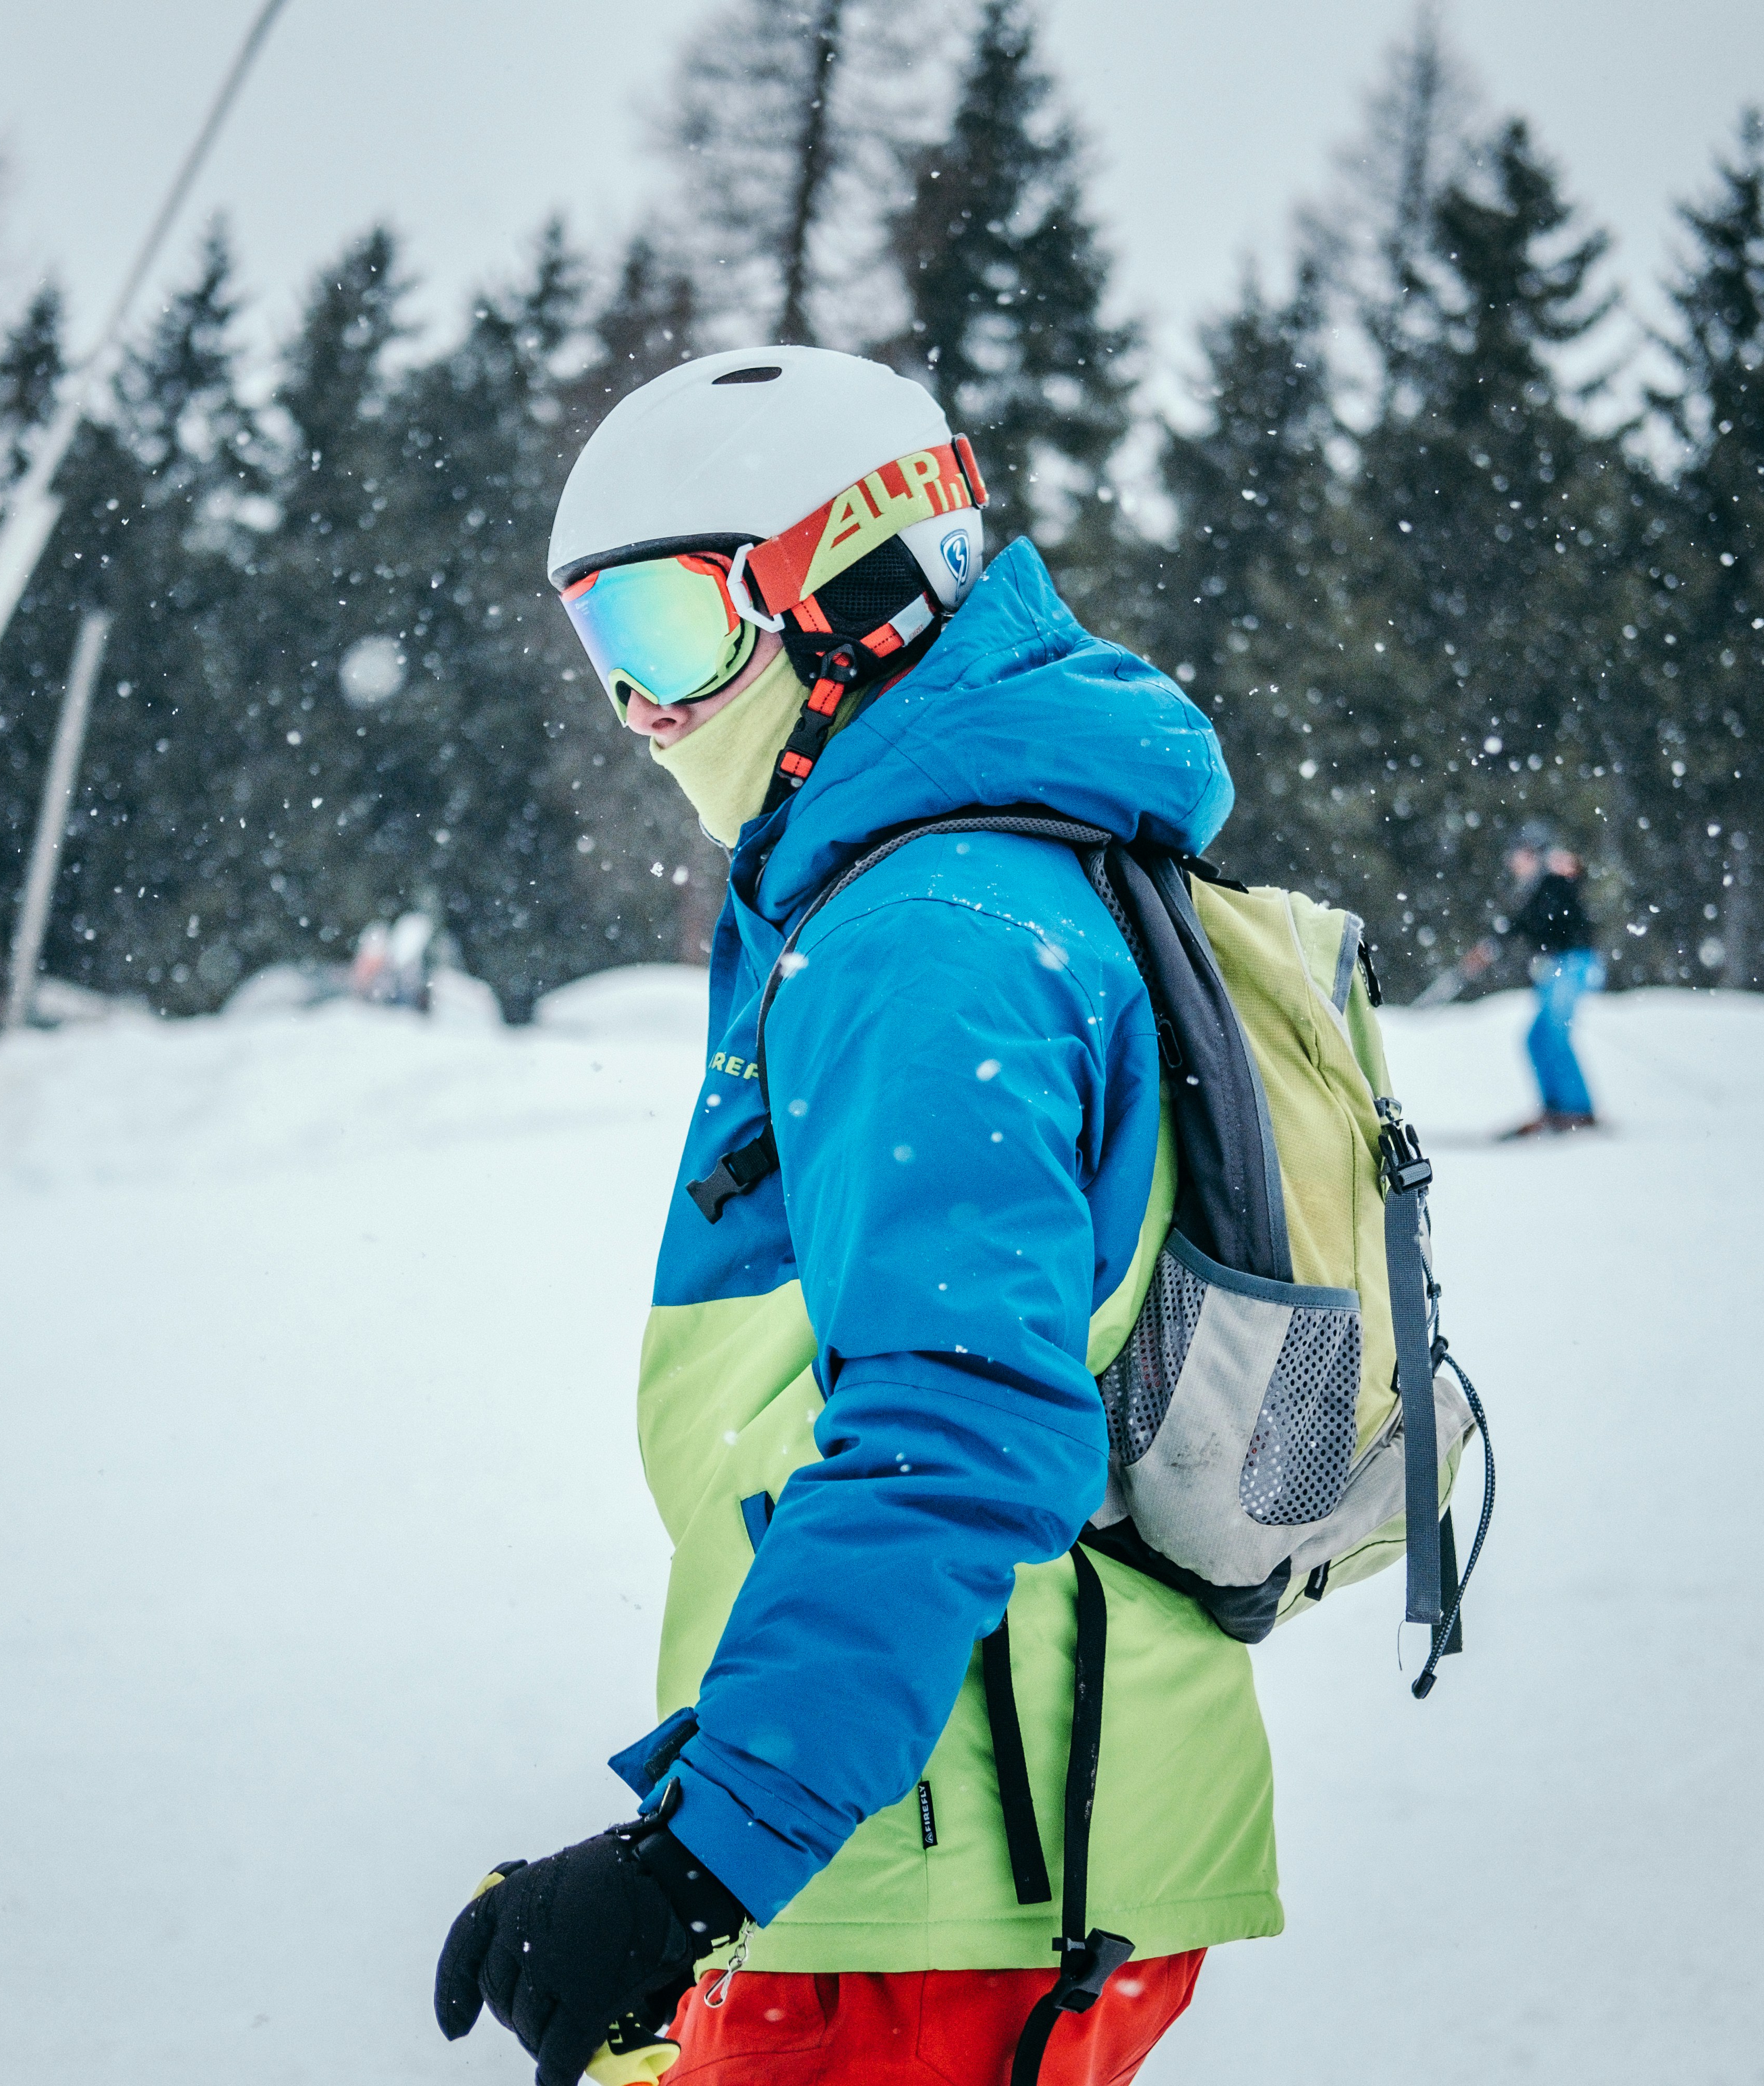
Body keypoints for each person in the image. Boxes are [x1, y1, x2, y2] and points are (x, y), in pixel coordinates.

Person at [432, 347, 1272, 2086]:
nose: (641, 710)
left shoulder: (929, 937)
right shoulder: (976, 881)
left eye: (671, 634)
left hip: (948, 1873)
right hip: (970, 1829)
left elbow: (953, 1431)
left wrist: (695, 1865)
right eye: (605, 651)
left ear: (854, 595)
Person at [1463, 821, 1603, 1136]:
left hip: (1574, 963)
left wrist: (1574, 868)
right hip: (1557, 966)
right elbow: (1519, 925)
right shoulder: (1533, 889)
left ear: (1531, 853)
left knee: (1554, 1032)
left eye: (1518, 854)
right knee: (1537, 1037)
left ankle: (1578, 1110)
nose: (1513, 862)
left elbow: (1574, 879)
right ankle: (1555, 1108)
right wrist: (1489, 949)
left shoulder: (1553, 879)